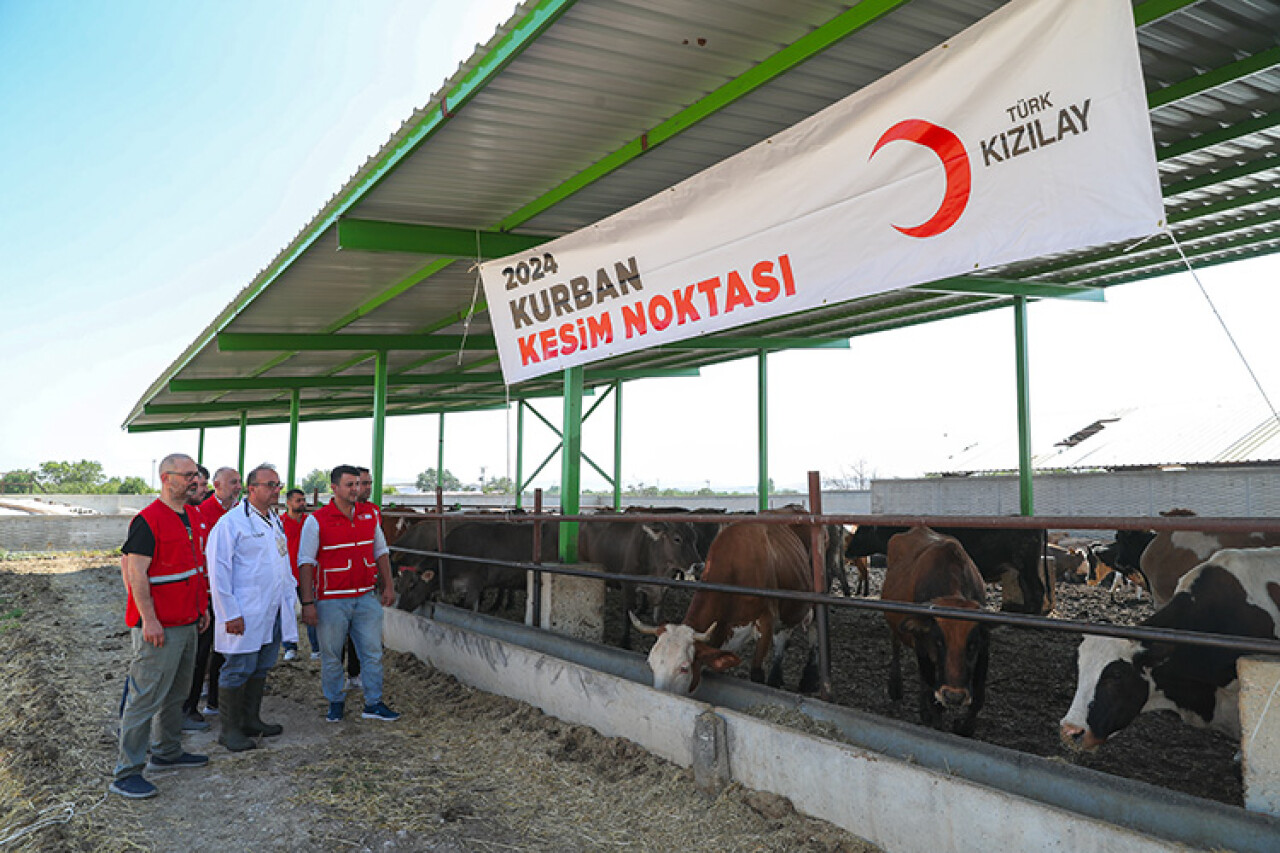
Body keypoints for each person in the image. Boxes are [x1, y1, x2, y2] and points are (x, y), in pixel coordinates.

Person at [112, 453, 211, 799]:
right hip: (160, 626)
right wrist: (149, 618)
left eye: (196, 474)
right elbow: (136, 573)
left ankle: (167, 751)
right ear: (166, 478)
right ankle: (126, 772)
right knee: (145, 697)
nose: (195, 481)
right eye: (187, 475)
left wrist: (201, 608)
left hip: (188, 621)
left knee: (177, 693)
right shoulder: (148, 520)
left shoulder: (193, 515)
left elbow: (194, 567)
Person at [205, 464, 297, 751]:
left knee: (261, 666)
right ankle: (229, 730)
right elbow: (218, 572)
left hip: (272, 609)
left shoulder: (274, 520)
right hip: (244, 611)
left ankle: (251, 720)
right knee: (238, 668)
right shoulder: (231, 523)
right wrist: (229, 613)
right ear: (251, 488)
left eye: (278, 485)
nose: (276, 490)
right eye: (270, 485)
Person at [298, 465, 399, 723]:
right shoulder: (317, 520)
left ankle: (373, 702)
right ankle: (335, 701)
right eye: (349, 485)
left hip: (365, 596)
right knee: (332, 655)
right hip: (331, 598)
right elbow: (306, 562)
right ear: (334, 488)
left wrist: (388, 585)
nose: (356, 489)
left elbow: (381, 551)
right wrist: (308, 602)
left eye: (358, 484)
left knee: (373, 652)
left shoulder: (369, 515)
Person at [183, 465, 241, 723]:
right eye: (233, 482)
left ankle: (216, 700)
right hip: (207, 594)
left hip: (231, 592)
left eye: (239, 482)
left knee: (223, 649)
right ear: (217, 486)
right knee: (201, 652)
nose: (238, 487)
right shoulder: (202, 513)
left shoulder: (241, 512)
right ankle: (189, 705)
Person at [279, 487, 319, 661]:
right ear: (288, 503)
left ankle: (316, 648)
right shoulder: (279, 523)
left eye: (303, 500)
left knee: (311, 609)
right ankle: (289, 647)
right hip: (287, 575)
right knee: (287, 612)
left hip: (307, 574)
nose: (302, 503)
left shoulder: (311, 522)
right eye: (298, 500)